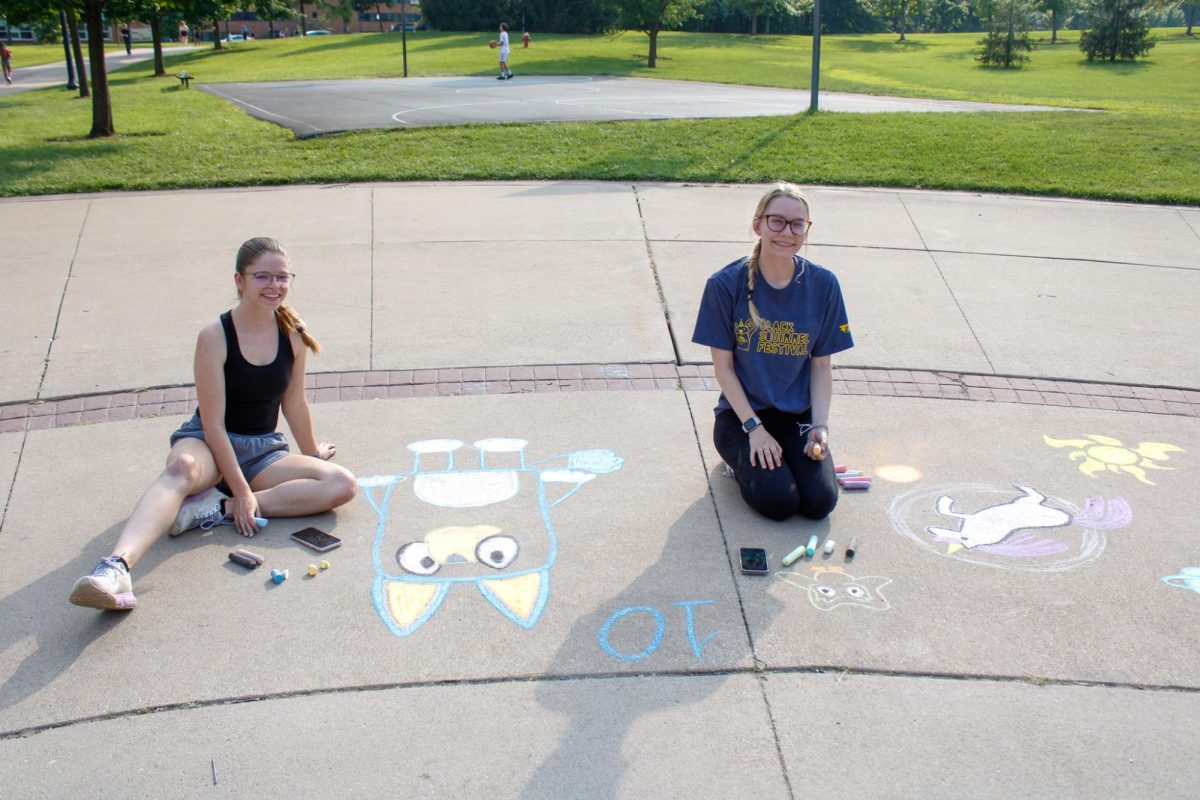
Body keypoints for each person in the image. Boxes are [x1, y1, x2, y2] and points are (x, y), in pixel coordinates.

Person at [69, 237, 358, 611]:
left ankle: (210, 510)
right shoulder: (215, 337)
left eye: (282, 277)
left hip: (262, 451)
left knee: (340, 484)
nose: (275, 286)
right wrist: (241, 491)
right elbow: (214, 424)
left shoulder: (293, 333)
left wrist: (312, 455)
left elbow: (294, 403)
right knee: (182, 467)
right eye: (263, 277)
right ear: (240, 280)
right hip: (207, 442)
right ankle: (115, 569)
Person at [691, 182, 854, 523]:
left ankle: (793, 458)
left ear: (806, 231)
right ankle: (738, 467)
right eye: (776, 221)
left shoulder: (824, 285)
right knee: (780, 503)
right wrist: (755, 429)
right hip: (741, 418)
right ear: (758, 225)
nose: (787, 232)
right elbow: (724, 370)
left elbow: (821, 366)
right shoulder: (724, 285)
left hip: (796, 417)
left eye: (798, 224)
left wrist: (820, 427)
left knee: (818, 503)